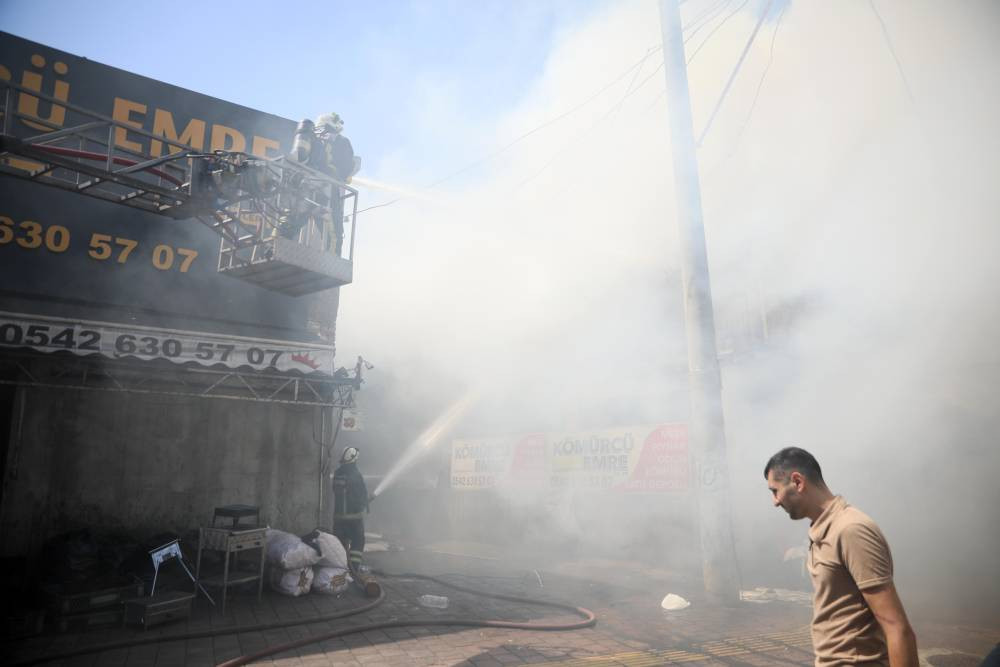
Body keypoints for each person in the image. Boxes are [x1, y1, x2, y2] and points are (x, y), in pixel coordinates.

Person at [764, 447, 918, 667]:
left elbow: (897, 627)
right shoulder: (823, 528)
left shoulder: (851, 530)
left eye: (774, 490)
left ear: (797, 482)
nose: (775, 501)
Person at [287, 112, 357, 254]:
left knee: (289, 222)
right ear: (336, 125)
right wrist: (344, 177)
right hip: (326, 190)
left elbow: (298, 158)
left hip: (303, 187)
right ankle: (334, 267)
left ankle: (273, 246)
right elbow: (347, 167)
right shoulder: (341, 140)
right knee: (334, 235)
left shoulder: (310, 136)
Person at [332, 446, 369, 572]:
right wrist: (365, 501)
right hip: (354, 519)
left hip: (338, 518)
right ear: (354, 459)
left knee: (339, 545)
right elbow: (361, 495)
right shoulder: (356, 475)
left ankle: (339, 569)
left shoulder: (337, 474)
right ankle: (354, 569)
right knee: (358, 541)